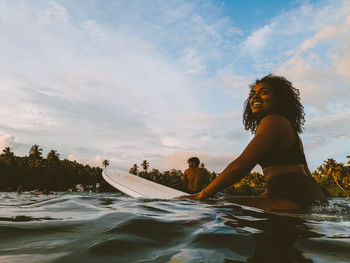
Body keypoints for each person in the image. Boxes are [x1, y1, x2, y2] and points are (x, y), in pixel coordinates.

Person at [184, 74, 327, 211]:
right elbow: (283, 180)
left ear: (278, 99)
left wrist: (202, 195)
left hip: (295, 201)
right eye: (252, 94)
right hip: (310, 199)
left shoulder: (273, 121)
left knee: (216, 207)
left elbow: (242, 165)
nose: (255, 97)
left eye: (264, 92)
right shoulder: (283, 124)